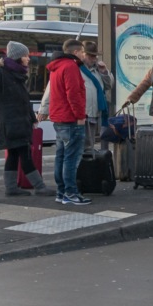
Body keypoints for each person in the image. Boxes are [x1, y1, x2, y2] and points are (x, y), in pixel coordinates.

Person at [0, 42, 54, 198]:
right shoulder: (1, 73)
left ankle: (11, 187)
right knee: (25, 154)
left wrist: (32, 118)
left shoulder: (18, 74)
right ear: (18, 57)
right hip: (10, 122)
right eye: (26, 56)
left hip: (19, 121)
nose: (28, 59)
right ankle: (39, 187)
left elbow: (24, 100)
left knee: (13, 155)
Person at [46, 39, 92, 205]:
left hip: (59, 118)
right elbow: (73, 93)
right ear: (75, 52)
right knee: (71, 158)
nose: (83, 55)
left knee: (61, 156)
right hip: (71, 119)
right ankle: (71, 193)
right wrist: (80, 115)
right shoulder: (71, 66)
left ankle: (61, 192)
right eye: (82, 52)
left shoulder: (56, 67)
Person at [80, 40, 113, 145]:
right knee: (79, 145)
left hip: (93, 114)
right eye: (91, 56)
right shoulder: (75, 69)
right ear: (83, 54)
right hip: (80, 114)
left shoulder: (97, 70)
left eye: (95, 56)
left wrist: (104, 72)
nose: (94, 59)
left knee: (89, 144)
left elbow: (109, 86)